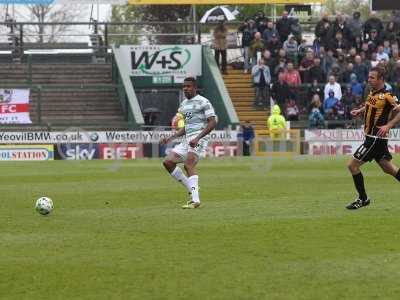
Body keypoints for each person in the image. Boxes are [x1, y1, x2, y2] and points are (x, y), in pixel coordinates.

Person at [346, 67, 400, 210]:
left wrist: (388, 126)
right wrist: (360, 110)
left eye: (372, 77)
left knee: (352, 166)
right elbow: (371, 105)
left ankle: (363, 199)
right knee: (389, 168)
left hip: (375, 138)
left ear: (381, 79)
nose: (369, 79)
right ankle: (363, 198)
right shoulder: (372, 92)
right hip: (374, 138)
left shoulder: (388, 95)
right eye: (369, 77)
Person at [161, 77, 217, 209]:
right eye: (184, 86)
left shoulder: (204, 102)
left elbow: (212, 122)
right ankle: (192, 189)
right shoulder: (183, 105)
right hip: (188, 139)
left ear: (194, 87)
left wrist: (198, 138)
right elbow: (187, 127)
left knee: (189, 164)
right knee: (168, 162)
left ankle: (195, 200)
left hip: (200, 137)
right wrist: (170, 138)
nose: (186, 88)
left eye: (188, 86)